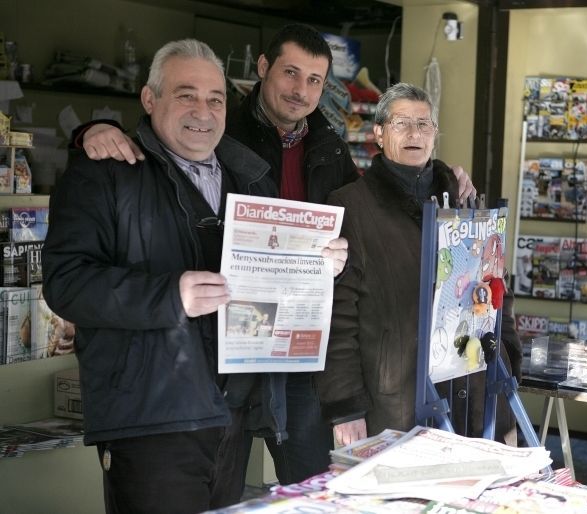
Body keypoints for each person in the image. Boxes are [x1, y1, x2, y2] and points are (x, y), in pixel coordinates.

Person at [71, 23, 477, 484]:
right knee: (216, 480)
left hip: (301, 346)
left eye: (314, 80)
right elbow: (160, 143)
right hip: (223, 347)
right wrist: (94, 129)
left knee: (310, 484)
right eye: (290, 73)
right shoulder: (220, 133)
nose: (300, 90)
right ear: (263, 69)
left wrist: (442, 176)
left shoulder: (329, 144)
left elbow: (378, 202)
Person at [42, 39, 346, 513]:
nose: (202, 111)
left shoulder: (249, 180)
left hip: (233, 410)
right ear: (150, 99)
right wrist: (170, 295)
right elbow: (66, 283)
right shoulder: (102, 174)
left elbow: (271, 278)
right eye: (186, 94)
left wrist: (316, 265)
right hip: (151, 417)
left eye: (215, 98)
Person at [316, 83, 522, 448]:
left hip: (475, 392)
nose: (415, 133)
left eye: (424, 124)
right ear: (378, 133)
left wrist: (508, 363)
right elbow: (337, 317)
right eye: (401, 123)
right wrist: (346, 408)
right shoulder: (352, 207)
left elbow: (494, 288)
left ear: (435, 135)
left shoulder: (463, 200)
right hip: (396, 402)